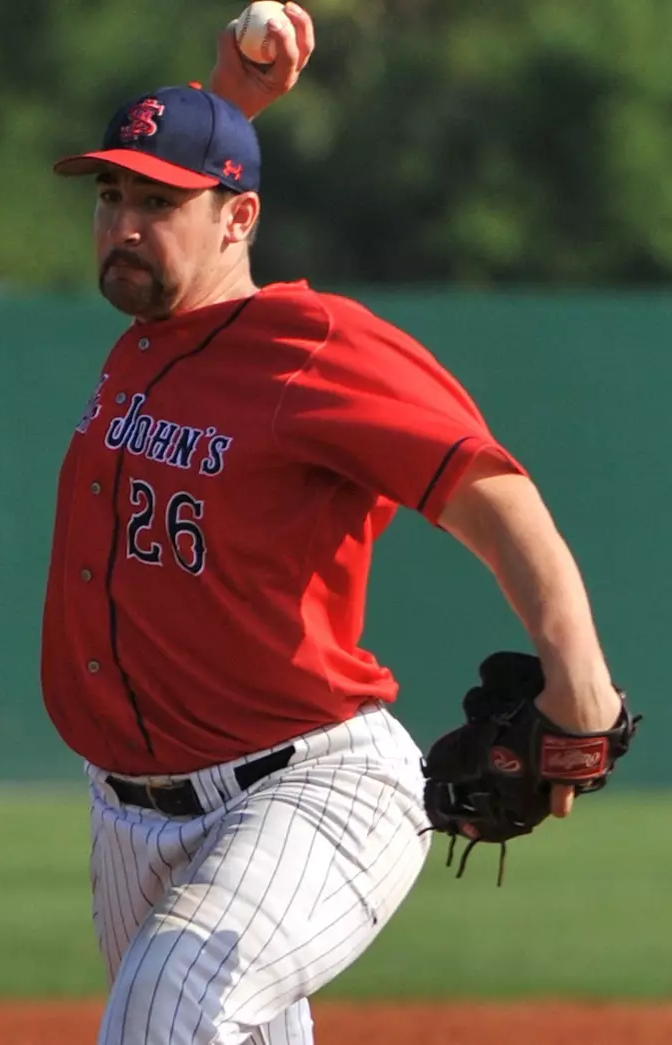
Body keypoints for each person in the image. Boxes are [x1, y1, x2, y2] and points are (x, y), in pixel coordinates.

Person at [38, 7, 623, 1043]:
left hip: (306, 786)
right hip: (129, 815)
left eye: (158, 201)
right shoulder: (149, 344)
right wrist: (227, 93)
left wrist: (579, 689)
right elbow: (192, 183)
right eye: (111, 195)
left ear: (236, 217)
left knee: (165, 1008)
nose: (124, 223)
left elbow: (494, 496)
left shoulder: (309, 345)